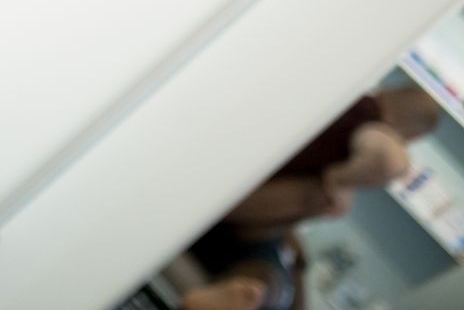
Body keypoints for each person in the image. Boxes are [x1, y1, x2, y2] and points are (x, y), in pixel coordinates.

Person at [178, 84, 444, 310]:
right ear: (412, 136)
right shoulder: (369, 120)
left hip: (236, 198)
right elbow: (391, 161)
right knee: (273, 280)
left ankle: (240, 294)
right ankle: (250, 293)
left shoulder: (339, 102)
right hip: (235, 218)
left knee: (291, 264)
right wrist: (338, 180)